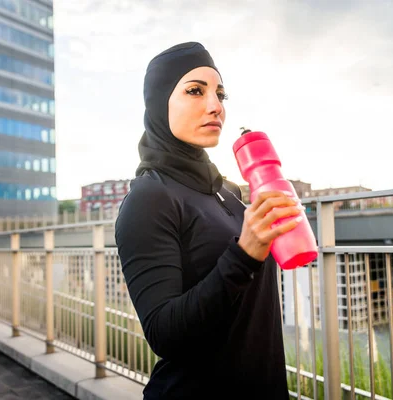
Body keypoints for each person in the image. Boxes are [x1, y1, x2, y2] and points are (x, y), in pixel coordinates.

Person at [115, 42, 301, 399]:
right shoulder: (148, 199)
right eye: (195, 91)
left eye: (220, 93)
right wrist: (245, 252)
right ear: (159, 103)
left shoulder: (229, 191)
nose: (215, 106)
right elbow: (163, 334)